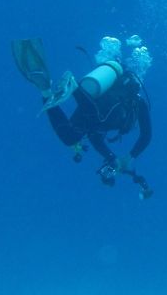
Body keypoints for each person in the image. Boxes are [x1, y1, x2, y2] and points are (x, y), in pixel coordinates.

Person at [12, 35, 153, 197]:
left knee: (70, 137)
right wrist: (130, 157)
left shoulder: (123, 100)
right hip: (93, 109)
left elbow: (95, 136)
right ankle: (74, 87)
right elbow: (146, 135)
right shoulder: (137, 102)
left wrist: (111, 157)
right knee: (99, 119)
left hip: (89, 105)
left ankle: (46, 91)